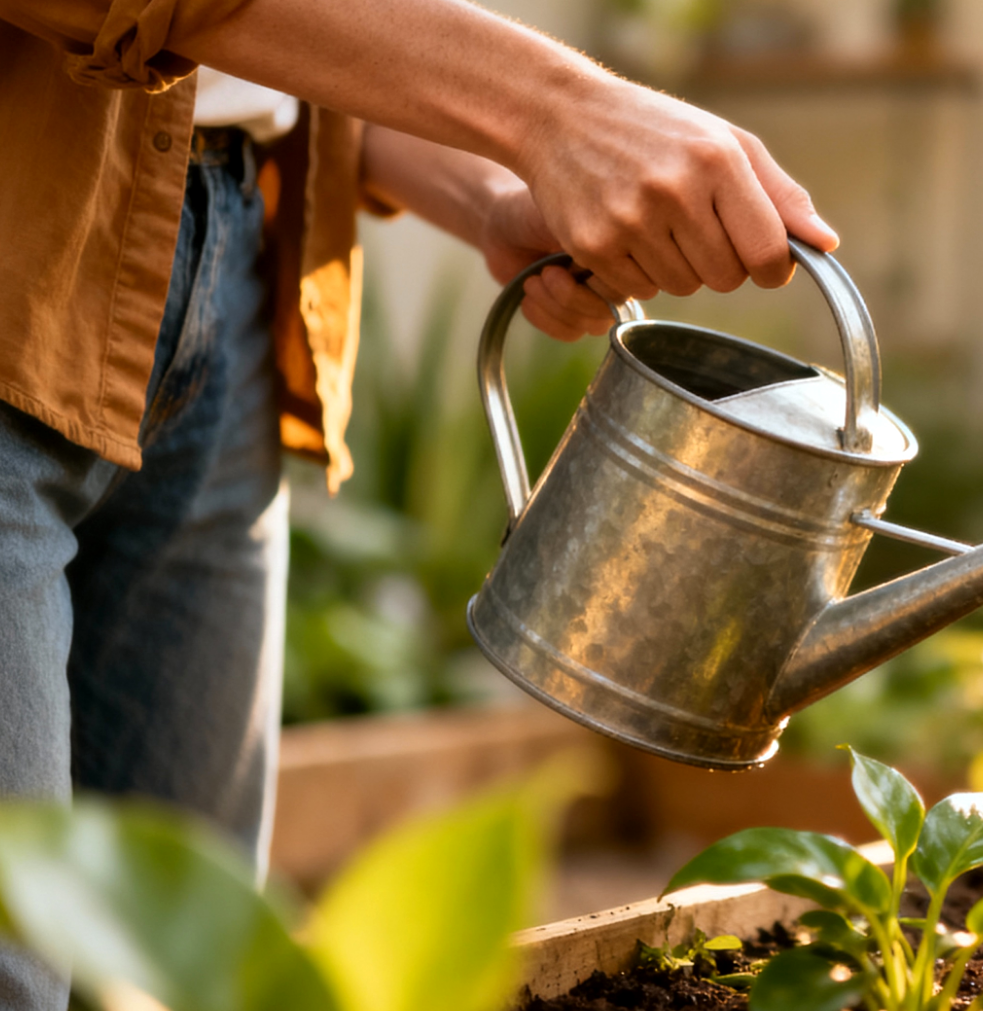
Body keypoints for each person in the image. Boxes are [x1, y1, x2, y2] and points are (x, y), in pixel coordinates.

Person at [0, 0, 839, 1006]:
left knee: (189, 976)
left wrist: (487, 196)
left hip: (236, 262)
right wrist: (555, 110)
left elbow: (258, 67)